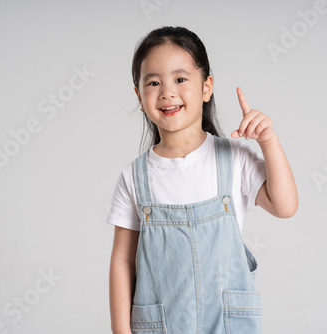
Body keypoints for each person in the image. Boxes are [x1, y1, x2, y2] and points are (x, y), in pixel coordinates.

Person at [107, 26, 298, 334]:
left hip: (227, 325)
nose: (167, 92)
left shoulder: (233, 158)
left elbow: (285, 205)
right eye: (153, 82)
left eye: (180, 79)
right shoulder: (135, 176)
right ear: (139, 96)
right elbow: (122, 261)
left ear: (207, 86)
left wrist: (268, 141)